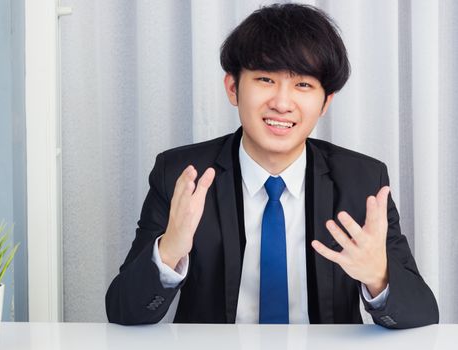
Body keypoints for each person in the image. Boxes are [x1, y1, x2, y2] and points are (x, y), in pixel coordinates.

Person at [105, 3, 438, 328]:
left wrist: (379, 277)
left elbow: (423, 313)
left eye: (303, 85)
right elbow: (124, 311)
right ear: (233, 88)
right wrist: (167, 253)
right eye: (265, 79)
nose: (281, 103)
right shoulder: (182, 175)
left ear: (326, 102)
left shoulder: (362, 181)